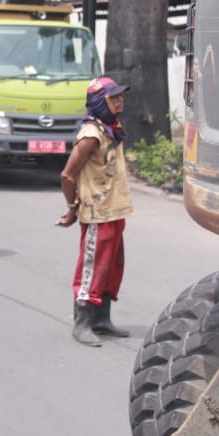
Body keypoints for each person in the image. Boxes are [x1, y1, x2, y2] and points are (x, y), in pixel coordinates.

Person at [57, 77, 134, 347]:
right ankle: (83, 324)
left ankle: (102, 319)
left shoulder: (110, 127)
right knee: (91, 268)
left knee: (113, 268)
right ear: (101, 102)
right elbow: (68, 175)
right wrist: (71, 209)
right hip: (97, 212)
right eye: (114, 98)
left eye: (120, 96)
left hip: (115, 210)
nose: (120, 101)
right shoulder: (90, 135)